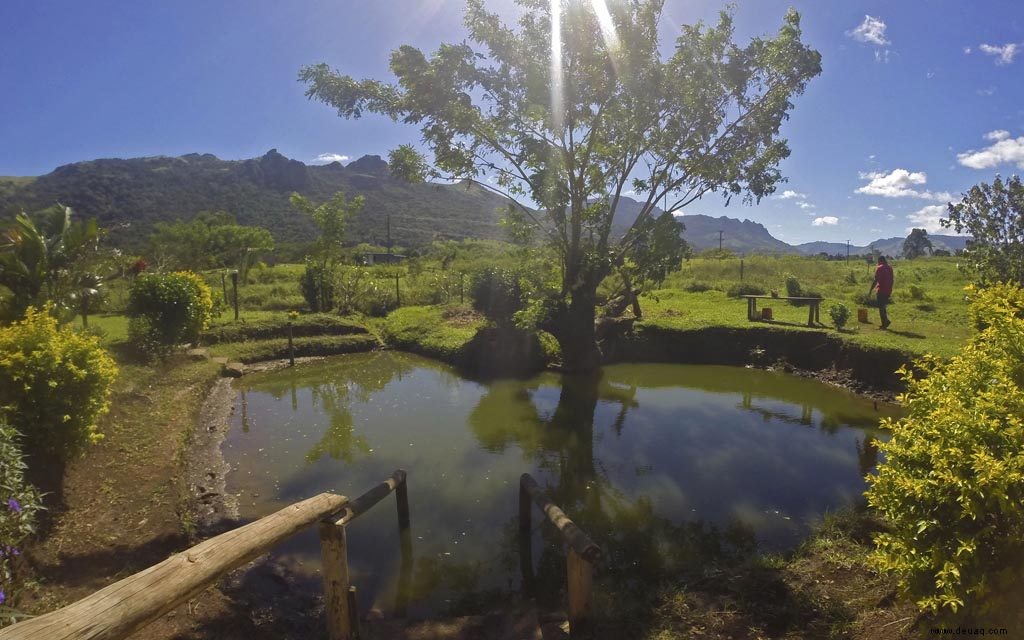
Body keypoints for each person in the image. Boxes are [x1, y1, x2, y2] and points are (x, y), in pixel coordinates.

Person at [869, 255, 894, 329]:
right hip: (888, 289)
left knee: (881, 307)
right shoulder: (890, 267)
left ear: (880, 261)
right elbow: (892, 279)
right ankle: (885, 322)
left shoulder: (880, 268)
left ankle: (885, 323)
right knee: (883, 306)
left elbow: (875, 280)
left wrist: (870, 290)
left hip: (881, 289)